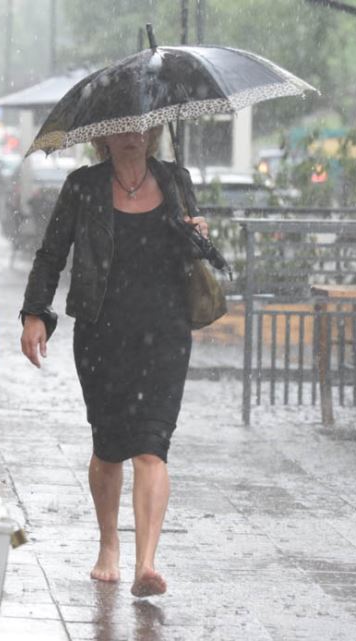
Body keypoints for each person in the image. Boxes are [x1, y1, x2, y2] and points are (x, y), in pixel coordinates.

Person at [19, 127, 208, 598]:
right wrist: (35, 313)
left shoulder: (176, 181)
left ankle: (147, 563)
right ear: (105, 135)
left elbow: (195, 261)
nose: (132, 136)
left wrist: (200, 236)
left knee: (151, 445)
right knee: (108, 447)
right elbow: (51, 254)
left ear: (154, 130)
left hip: (165, 333)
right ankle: (109, 545)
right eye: (121, 127)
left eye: (142, 126)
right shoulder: (83, 186)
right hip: (103, 333)